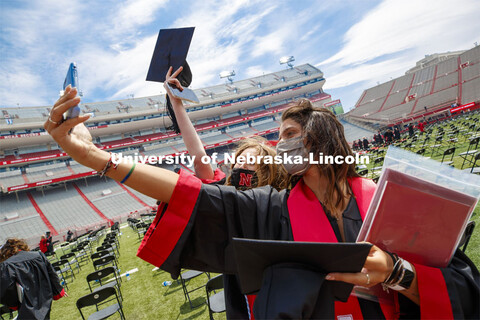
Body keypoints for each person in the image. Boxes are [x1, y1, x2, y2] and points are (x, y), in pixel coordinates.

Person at [45, 84, 479, 318]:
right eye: (278, 136)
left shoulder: (387, 201)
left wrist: (397, 273)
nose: (280, 143)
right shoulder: (270, 209)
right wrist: (97, 157)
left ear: (324, 137)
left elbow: (461, 290)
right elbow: (190, 192)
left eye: (290, 134)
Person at [156, 66, 288, 318]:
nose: (240, 168)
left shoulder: (279, 203)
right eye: (238, 163)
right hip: (241, 297)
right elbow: (199, 157)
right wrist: (177, 105)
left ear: (269, 171)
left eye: (249, 164)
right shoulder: (227, 197)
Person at [0, 238, 66, 319]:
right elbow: (52, 274)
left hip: (26, 306)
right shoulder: (39, 255)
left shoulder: (7, 265)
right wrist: (58, 290)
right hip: (44, 301)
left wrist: (14, 304)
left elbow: (6, 289)